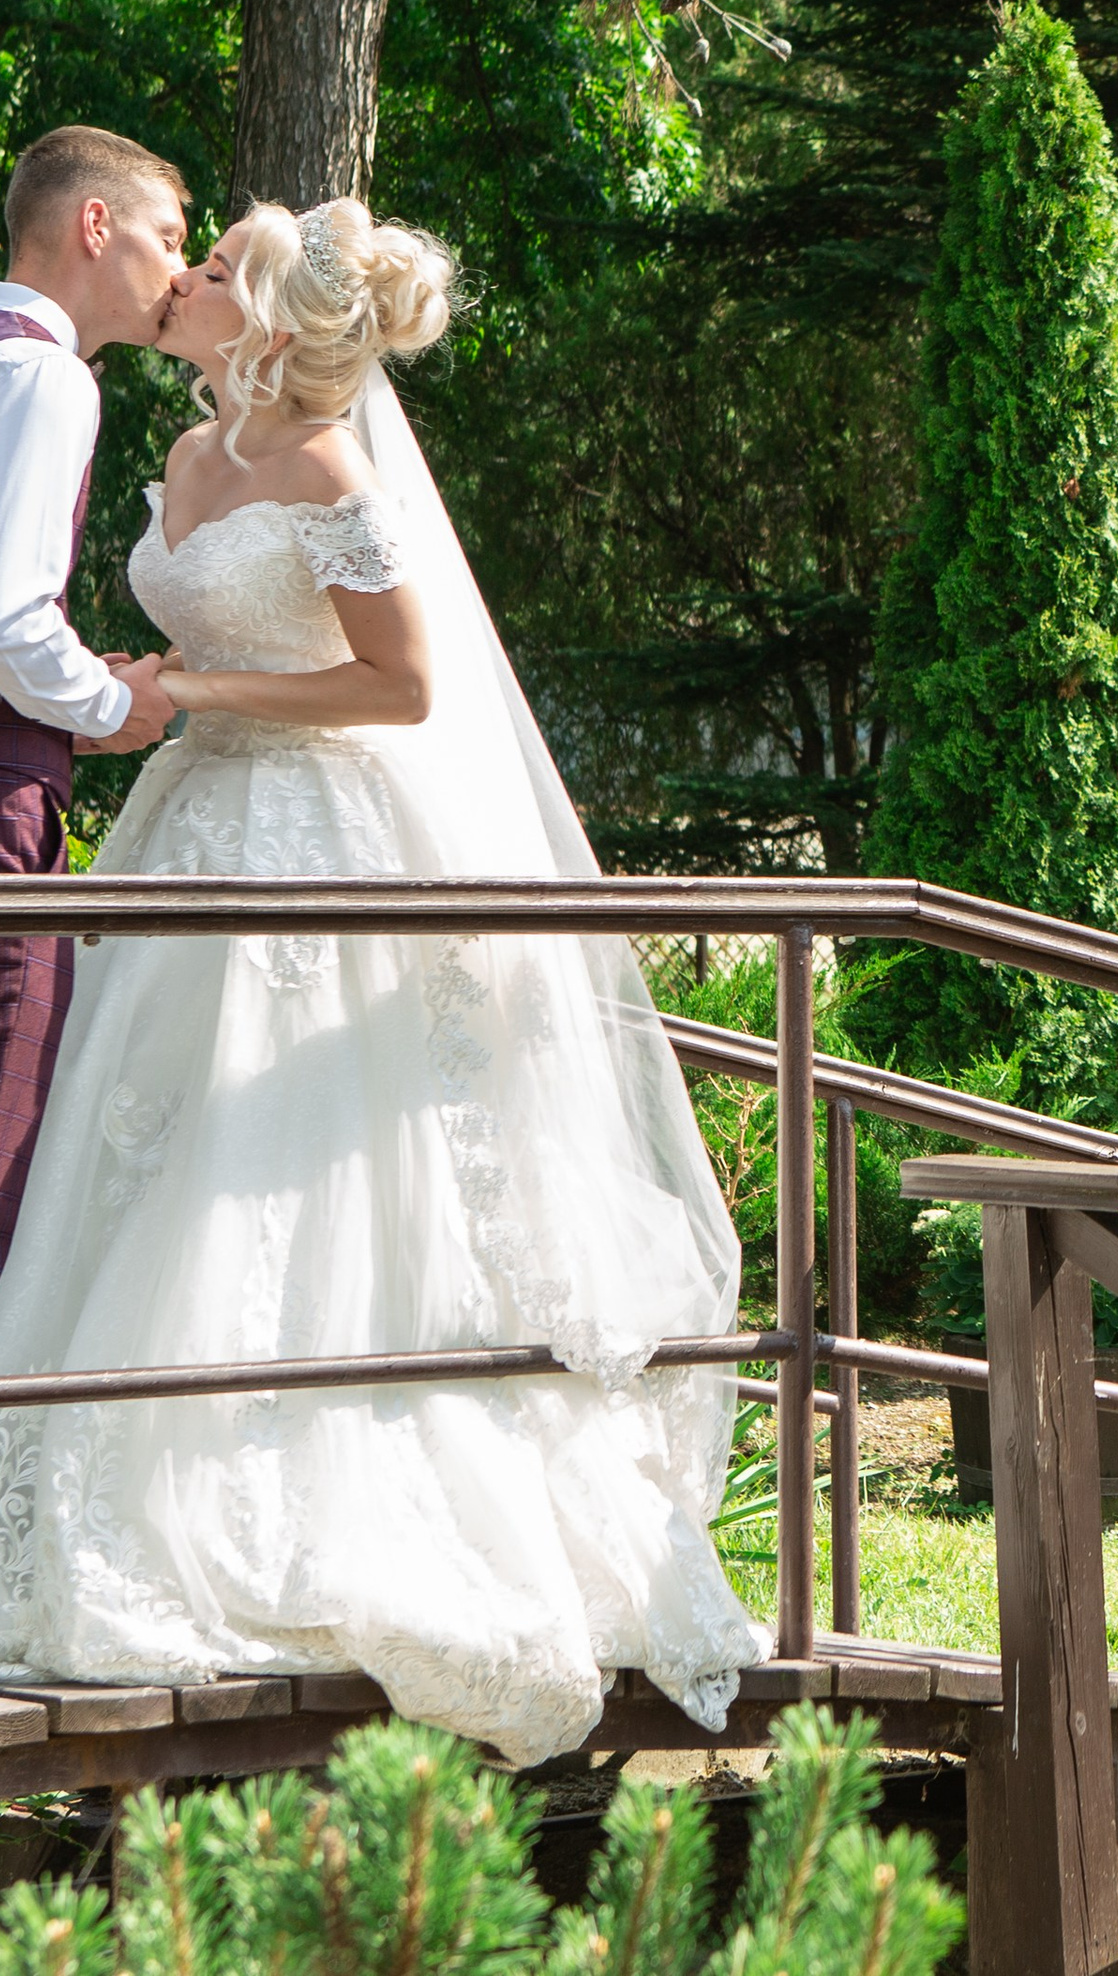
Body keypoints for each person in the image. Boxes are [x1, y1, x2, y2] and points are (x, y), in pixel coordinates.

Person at [0, 196, 768, 1764]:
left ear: (272, 317)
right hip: (187, 824)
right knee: (134, 1152)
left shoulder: (331, 469)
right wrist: (153, 708)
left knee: (275, 1167)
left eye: (215, 271)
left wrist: (187, 689)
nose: (187, 283)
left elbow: (407, 684)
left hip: (313, 834)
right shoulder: (187, 458)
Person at [0, 128, 184, 1269]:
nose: (179, 268)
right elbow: (11, 619)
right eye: (168, 236)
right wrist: (112, 708)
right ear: (94, 225)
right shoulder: (51, 376)